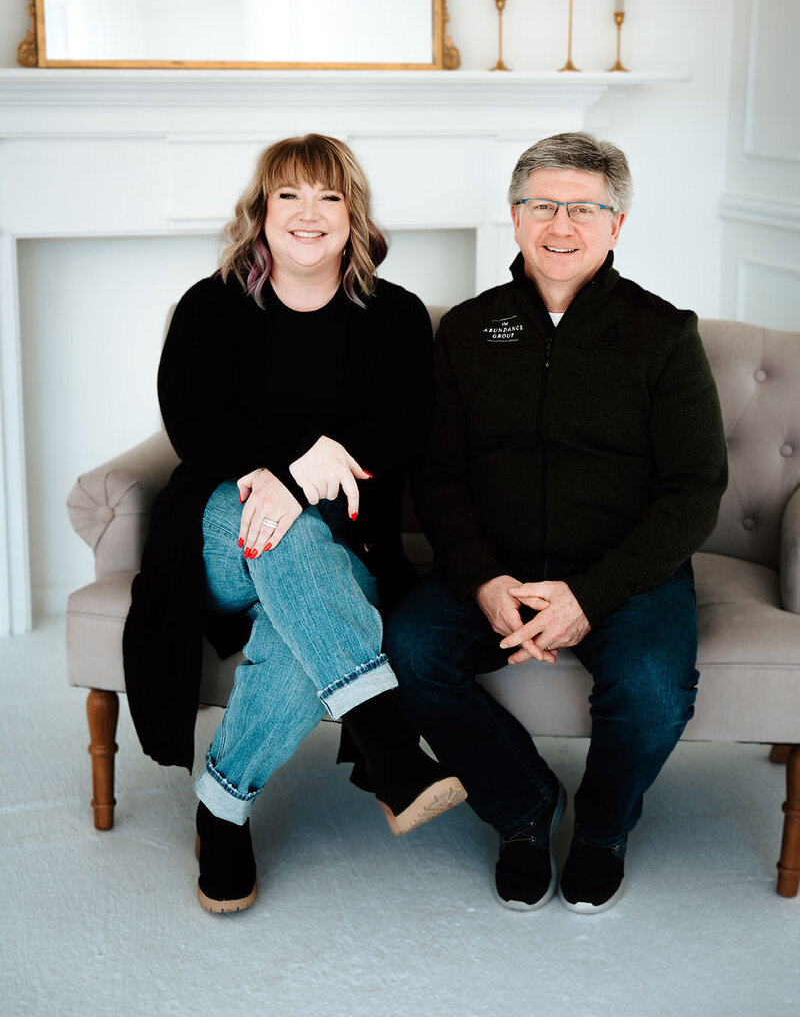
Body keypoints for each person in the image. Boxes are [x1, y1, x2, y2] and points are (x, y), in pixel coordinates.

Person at [384, 132, 727, 914]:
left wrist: (592, 595)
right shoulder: (469, 331)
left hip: (623, 574)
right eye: (543, 205)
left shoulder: (665, 335)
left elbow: (695, 487)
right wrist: (481, 578)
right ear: (514, 217)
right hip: (494, 563)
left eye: (583, 208)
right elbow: (436, 475)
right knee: (407, 651)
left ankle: (603, 828)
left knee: (651, 690)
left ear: (617, 225)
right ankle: (523, 807)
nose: (560, 225)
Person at [123, 133, 465, 913]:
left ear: (354, 216)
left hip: (341, 544)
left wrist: (297, 488)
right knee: (259, 514)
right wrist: (291, 463)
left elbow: (405, 435)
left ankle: (223, 807)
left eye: (329, 197)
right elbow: (193, 425)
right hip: (216, 537)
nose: (309, 214)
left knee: (296, 580)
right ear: (262, 211)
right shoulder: (211, 305)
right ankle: (386, 738)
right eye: (290, 196)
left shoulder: (398, 316)